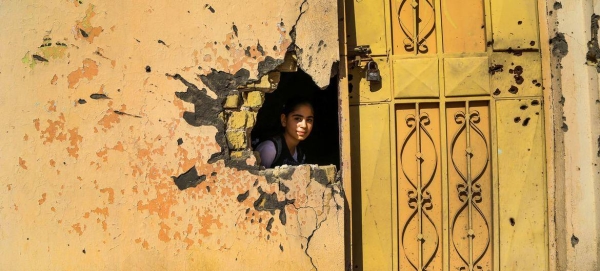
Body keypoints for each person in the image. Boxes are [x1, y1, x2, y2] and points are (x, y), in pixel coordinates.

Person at [256, 97, 314, 168]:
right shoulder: (269, 150)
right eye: (297, 118)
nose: (304, 125)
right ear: (284, 120)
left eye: (309, 120)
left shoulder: (300, 155)